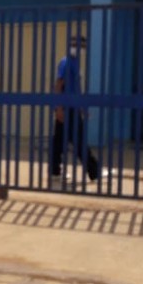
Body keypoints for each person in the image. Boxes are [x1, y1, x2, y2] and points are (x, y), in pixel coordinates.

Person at [50, 36, 100, 188]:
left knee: (59, 140)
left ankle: (55, 171)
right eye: (74, 45)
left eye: (81, 46)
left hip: (72, 107)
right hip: (67, 108)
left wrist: (82, 108)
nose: (78, 48)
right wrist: (58, 108)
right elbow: (59, 84)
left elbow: (76, 89)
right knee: (78, 141)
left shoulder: (75, 63)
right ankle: (94, 171)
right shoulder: (66, 62)